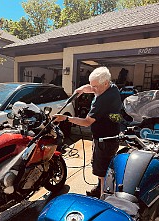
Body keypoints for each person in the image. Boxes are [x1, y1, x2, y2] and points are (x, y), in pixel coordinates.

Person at [53, 66, 122, 198]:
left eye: (95, 87)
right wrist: (82, 89)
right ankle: (99, 188)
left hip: (105, 140)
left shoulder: (103, 100)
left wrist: (66, 118)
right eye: (92, 85)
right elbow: (92, 87)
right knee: (100, 166)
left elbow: (86, 122)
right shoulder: (111, 87)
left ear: (105, 83)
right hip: (105, 136)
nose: (93, 89)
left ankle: (103, 198)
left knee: (102, 171)